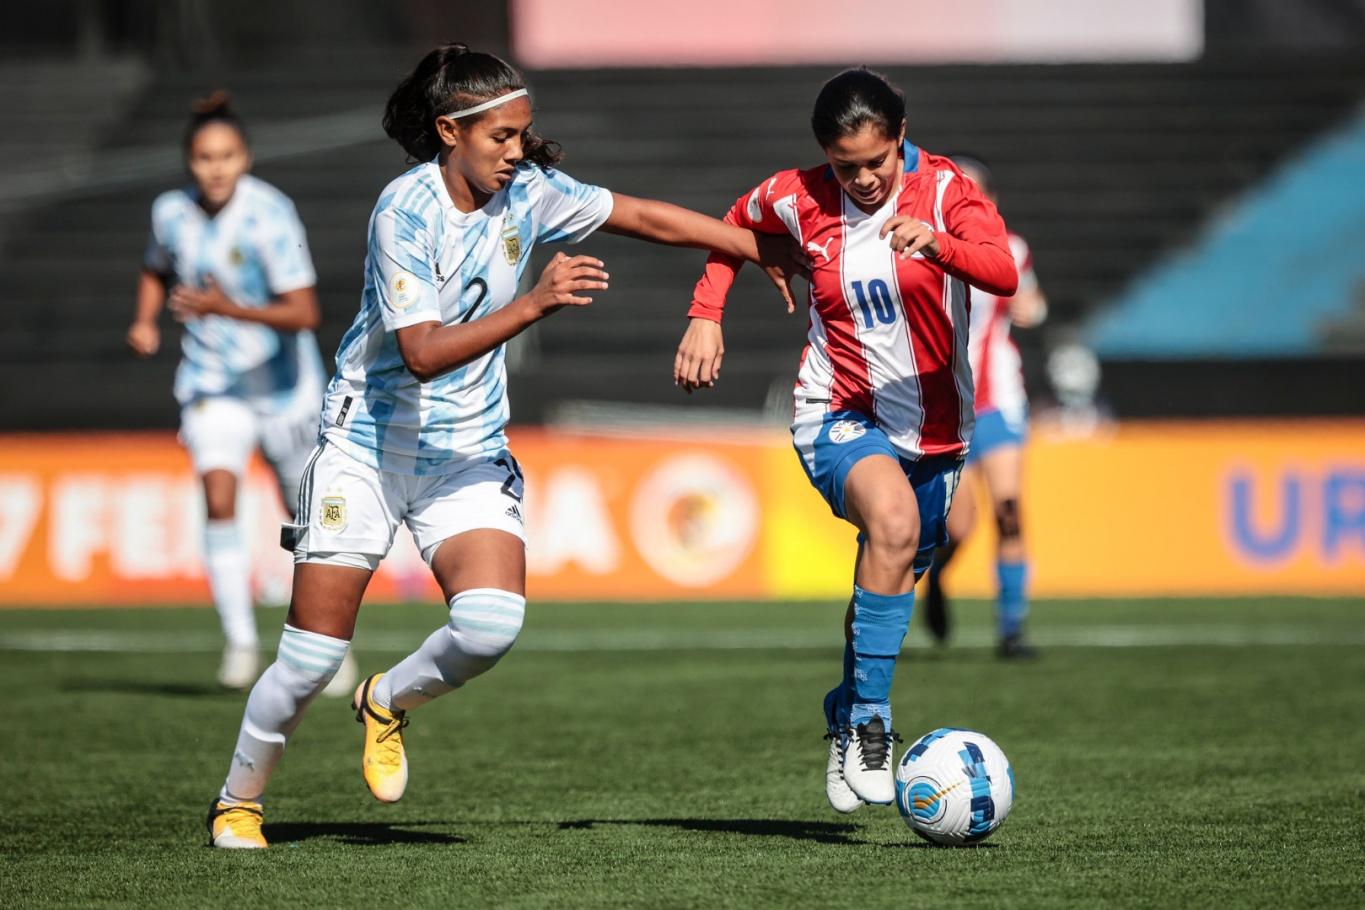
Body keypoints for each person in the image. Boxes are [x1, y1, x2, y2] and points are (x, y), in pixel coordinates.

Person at [205, 44, 797, 849]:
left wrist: (757, 248)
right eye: (501, 138)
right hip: (368, 448)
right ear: (449, 131)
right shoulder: (402, 212)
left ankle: (386, 700)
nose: (517, 151)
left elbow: (646, 218)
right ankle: (238, 800)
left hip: (466, 450)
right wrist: (537, 303)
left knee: (489, 625)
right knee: (309, 660)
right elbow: (420, 352)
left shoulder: (531, 193)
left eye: (523, 135)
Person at [673, 68, 1016, 813]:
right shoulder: (796, 196)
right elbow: (734, 220)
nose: (861, 179)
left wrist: (940, 245)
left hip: (935, 430)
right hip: (835, 407)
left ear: (900, 137)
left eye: (875, 162)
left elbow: (1001, 271)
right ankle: (870, 722)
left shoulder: (948, 190)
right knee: (888, 526)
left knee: (890, 566)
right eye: (843, 165)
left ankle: (848, 705)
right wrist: (707, 311)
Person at [127, 92, 357, 695]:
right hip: (212, 385)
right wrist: (145, 319)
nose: (216, 168)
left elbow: (305, 312)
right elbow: (156, 267)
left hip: (285, 388)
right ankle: (240, 642)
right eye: (205, 157)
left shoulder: (270, 215)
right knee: (219, 496)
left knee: (305, 517)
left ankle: (331, 644)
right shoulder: (170, 212)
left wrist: (222, 307)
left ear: (246, 158)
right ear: (189, 162)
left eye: (227, 155)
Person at [923, 155, 1048, 659]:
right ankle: (936, 578)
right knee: (958, 527)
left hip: (998, 400)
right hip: (945, 407)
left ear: (989, 202)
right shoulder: (924, 249)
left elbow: (1033, 303)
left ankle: (1012, 628)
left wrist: (1031, 309)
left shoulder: (1011, 250)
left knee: (1010, 511)